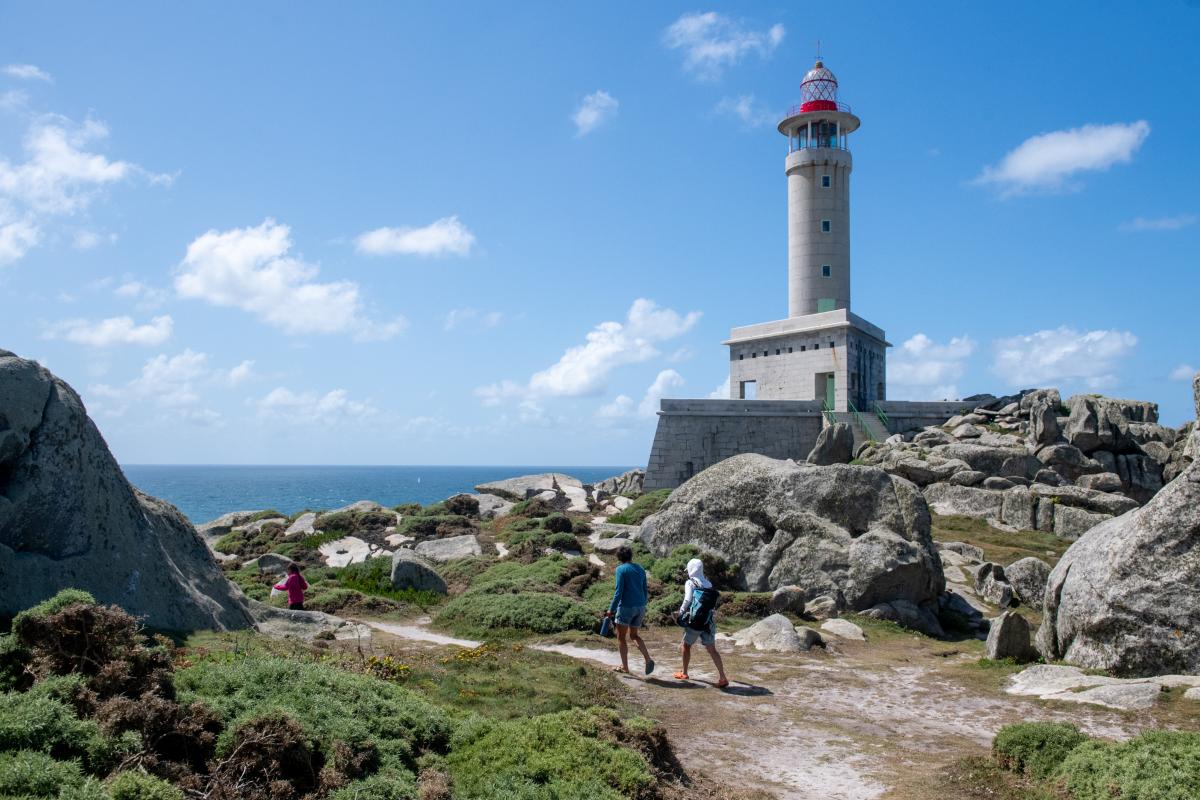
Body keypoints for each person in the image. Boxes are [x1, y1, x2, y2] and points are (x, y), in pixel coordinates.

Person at [673, 558, 729, 688]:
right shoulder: (708, 583)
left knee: (686, 645)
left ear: (691, 569)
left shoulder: (690, 582)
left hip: (696, 621)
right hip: (708, 621)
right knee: (712, 650)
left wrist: (680, 613)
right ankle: (722, 677)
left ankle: (684, 673)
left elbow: (687, 600)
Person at [605, 545, 655, 675]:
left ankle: (625, 667)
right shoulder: (640, 568)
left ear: (619, 557)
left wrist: (611, 610)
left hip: (626, 607)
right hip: (640, 607)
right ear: (631, 556)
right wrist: (643, 604)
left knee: (621, 637)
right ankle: (648, 659)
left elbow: (618, 592)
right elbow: (645, 589)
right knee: (634, 635)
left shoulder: (621, 569)